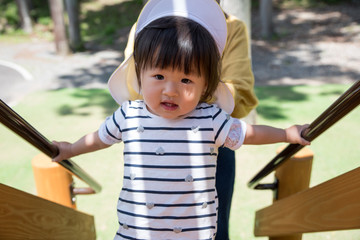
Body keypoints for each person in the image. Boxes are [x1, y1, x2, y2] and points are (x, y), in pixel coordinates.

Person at [52, 0, 309, 239]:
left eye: (186, 80)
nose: (170, 91)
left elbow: (249, 132)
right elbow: (98, 139)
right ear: (139, 74)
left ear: (205, 85)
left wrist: (286, 134)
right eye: (159, 77)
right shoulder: (129, 114)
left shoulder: (209, 118)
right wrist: (70, 149)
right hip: (137, 233)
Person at [123, 1, 257, 239]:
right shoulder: (149, 21)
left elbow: (242, 93)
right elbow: (132, 85)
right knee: (146, 224)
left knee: (212, 229)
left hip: (211, 144)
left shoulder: (232, 27)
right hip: (150, 142)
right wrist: (188, 85)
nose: (170, 89)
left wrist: (189, 96)